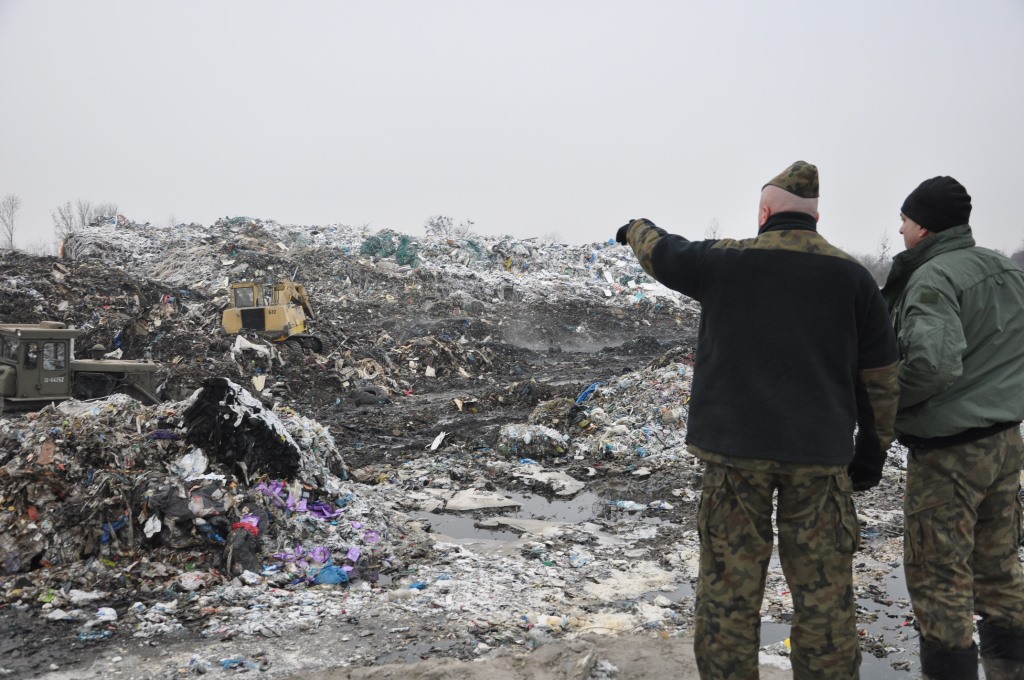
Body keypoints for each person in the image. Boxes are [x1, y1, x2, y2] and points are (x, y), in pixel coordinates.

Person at [616, 160, 900, 680]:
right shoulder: (854, 279)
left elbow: (661, 251)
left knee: (729, 593)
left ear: (764, 212)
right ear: (816, 216)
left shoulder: (725, 262)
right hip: (819, 461)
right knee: (824, 599)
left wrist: (633, 227)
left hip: (734, 459)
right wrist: (871, 454)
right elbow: (880, 379)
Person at [881, 176, 1024, 680]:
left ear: (922, 227)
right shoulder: (1005, 269)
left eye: (903, 220)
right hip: (1006, 445)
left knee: (939, 578)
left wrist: (881, 404)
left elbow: (931, 366)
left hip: (950, 456)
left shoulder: (932, 278)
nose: (899, 230)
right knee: (1000, 567)